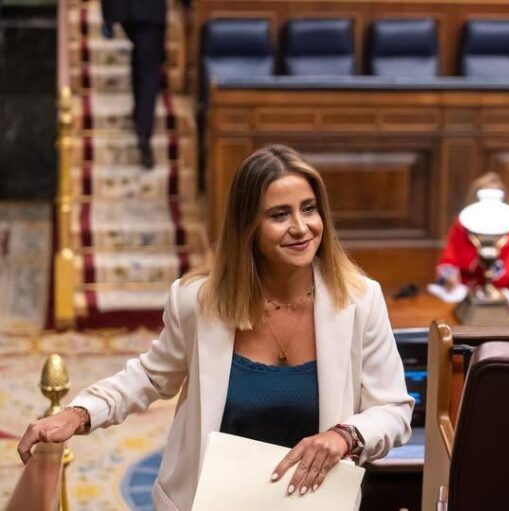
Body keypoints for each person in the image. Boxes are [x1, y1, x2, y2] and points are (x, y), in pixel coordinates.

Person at [17, 145, 414, 510]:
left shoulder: (360, 300)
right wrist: (80, 412)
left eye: (309, 209)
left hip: (312, 503)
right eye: (279, 215)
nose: (300, 227)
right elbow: (151, 376)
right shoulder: (198, 300)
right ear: (248, 226)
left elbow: (394, 411)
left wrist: (345, 435)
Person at [100, 0, 177, 169]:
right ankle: (144, 130)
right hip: (151, 11)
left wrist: (108, 15)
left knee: (141, 58)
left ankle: (138, 115)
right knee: (149, 71)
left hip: (125, 10)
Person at [436, 171, 509, 290]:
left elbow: (505, 277)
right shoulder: (461, 227)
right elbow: (447, 260)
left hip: (498, 292)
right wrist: (448, 276)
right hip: (461, 290)